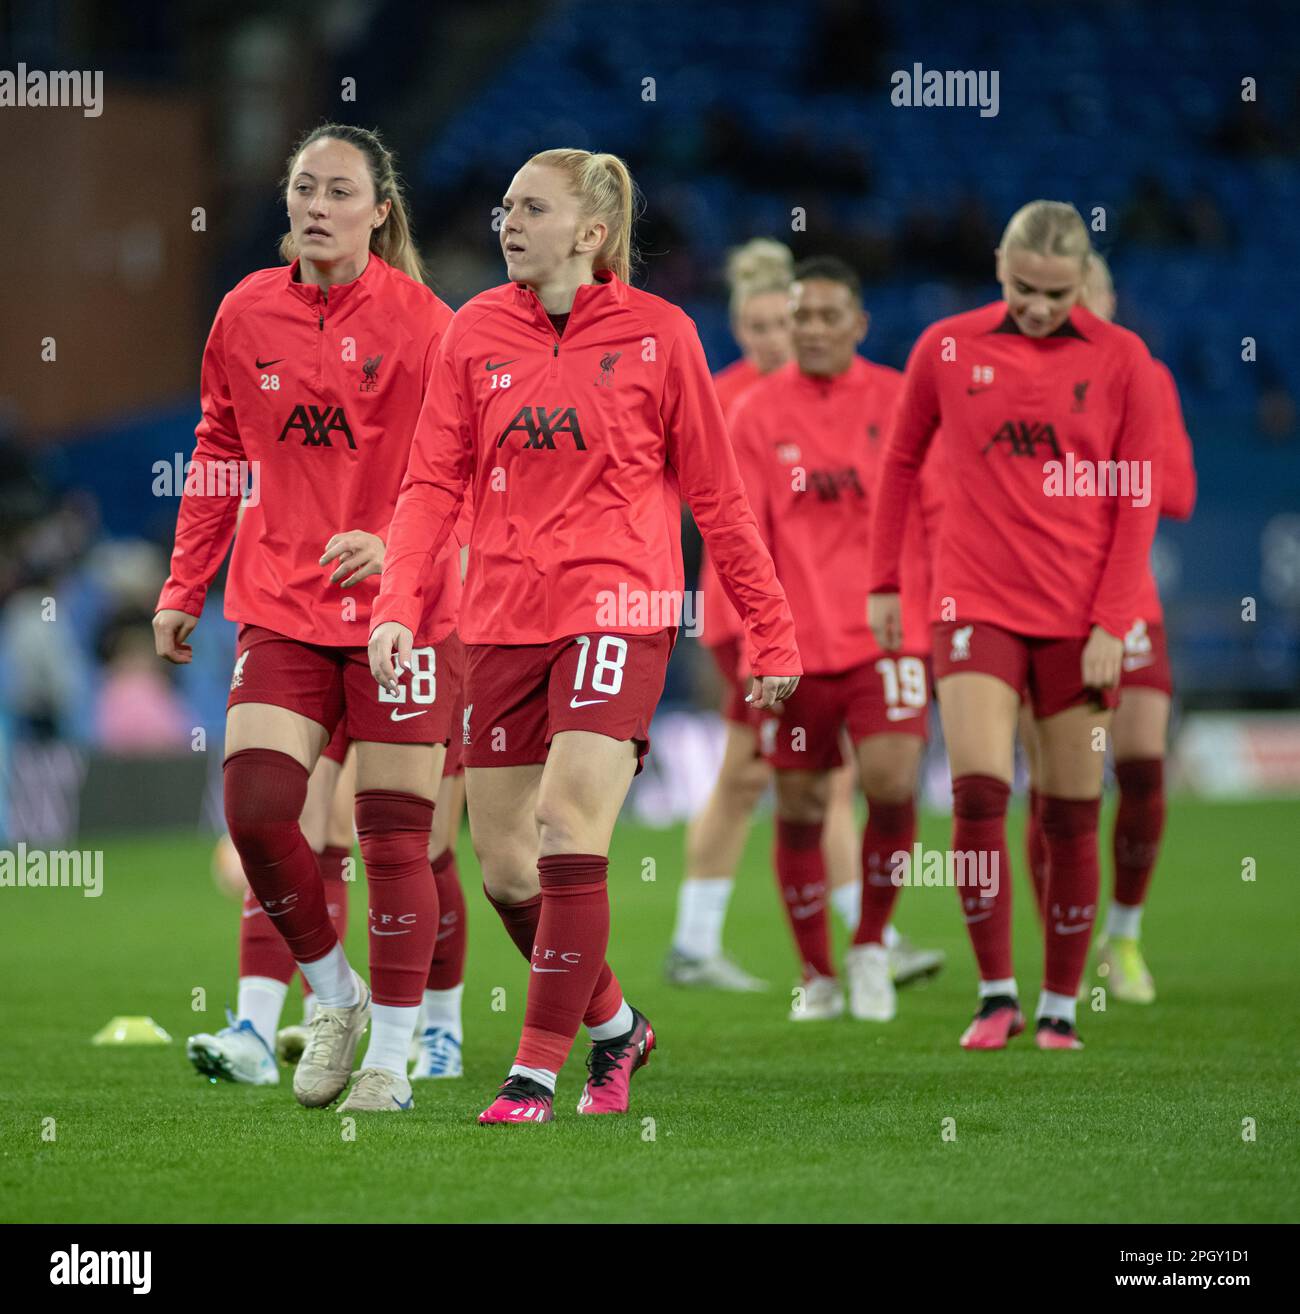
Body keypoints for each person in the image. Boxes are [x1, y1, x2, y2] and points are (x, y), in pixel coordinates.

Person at [370, 148, 800, 1125]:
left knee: (569, 829)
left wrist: (770, 634)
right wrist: (398, 604)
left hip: (619, 604)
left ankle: (534, 1071)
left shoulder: (662, 336)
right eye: (503, 205)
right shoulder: (474, 330)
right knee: (505, 868)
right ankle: (618, 1030)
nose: (506, 223)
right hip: (500, 619)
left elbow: (719, 500)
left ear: (591, 234)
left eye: (531, 208)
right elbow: (432, 482)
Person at [155, 123, 463, 1112]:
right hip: (281, 606)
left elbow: (463, 472)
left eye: (339, 190)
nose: (317, 205)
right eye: (302, 188)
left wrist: (396, 548)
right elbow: (214, 452)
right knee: (254, 808)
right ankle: (334, 994)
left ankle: (396, 1060)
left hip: (402, 617)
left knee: (393, 840)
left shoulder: (426, 325)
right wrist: (181, 584)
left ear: (380, 211)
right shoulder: (244, 313)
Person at [867, 200, 1162, 1051]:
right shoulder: (946, 347)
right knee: (978, 795)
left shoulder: (1124, 361)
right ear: (999, 267)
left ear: (1083, 280)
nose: (1038, 306)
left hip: (1080, 617)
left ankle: (1060, 1004)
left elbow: (1136, 503)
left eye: (1057, 293)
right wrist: (885, 581)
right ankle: (995, 993)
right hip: (975, 604)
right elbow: (899, 460)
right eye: (1023, 287)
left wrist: (1115, 620)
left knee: (1071, 812)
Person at [668, 239, 943, 994]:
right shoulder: (728, 400)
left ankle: (854, 935)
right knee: (773, 774)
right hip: (749, 617)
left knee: (783, 775)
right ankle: (843, 937)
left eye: (777, 325)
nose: (772, 340)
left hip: (815, 620)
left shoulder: (826, 399)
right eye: (756, 327)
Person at [1020, 252, 1196, 1004]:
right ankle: (1067, 941)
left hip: (1128, 604)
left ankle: (1123, 931)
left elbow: (1177, 493)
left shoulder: (1143, 376)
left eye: (1094, 290)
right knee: (1056, 789)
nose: (1081, 305)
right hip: (1037, 603)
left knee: (1145, 766)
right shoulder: (1019, 380)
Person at [188, 726, 353, 1085]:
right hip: (294, 677)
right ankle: (255, 1031)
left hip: (372, 677)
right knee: (278, 823)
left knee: (335, 825)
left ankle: (322, 1020)